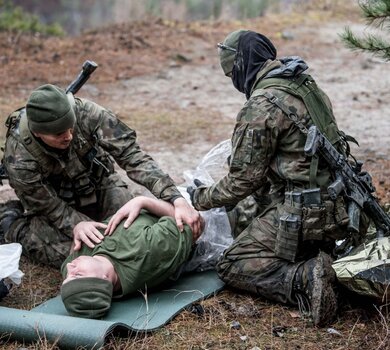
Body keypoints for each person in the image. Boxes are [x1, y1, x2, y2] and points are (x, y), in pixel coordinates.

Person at [187, 30, 369, 326]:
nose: (233, 80)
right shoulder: (302, 83)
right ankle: (317, 257)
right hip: (339, 202)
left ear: (243, 66)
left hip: (306, 212)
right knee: (249, 214)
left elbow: (241, 182)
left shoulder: (261, 105)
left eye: (231, 72)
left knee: (233, 263)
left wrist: (200, 198)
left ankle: (305, 277)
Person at [0, 84, 201, 268]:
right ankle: (11, 222)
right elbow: (47, 205)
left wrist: (176, 198)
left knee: (133, 234)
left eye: (71, 128)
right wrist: (76, 224)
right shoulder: (19, 156)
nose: (68, 136)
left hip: (99, 185)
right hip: (59, 204)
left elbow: (132, 156)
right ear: (37, 133)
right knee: (78, 256)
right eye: (59, 134)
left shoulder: (87, 113)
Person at [60, 195, 204, 319]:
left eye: (68, 276)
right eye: (77, 274)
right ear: (104, 280)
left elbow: (69, 263)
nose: (69, 266)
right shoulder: (146, 251)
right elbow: (194, 221)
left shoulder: (78, 267)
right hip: (173, 203)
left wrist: (79, 227)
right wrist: (143, 201)